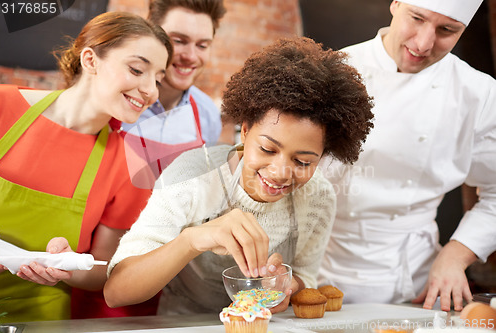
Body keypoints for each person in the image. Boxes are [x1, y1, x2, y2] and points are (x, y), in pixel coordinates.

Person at [103, 37, 374, 315]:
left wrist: (287, 285)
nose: (280, 172)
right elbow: (117, 291)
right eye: (268, 149)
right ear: (245, 131)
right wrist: (192, 240)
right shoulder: (192, 175)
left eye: (303, 161)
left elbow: (306, 275)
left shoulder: (317, 197)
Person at [317, 0, 496, 312]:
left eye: (447, 30)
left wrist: (456, 254)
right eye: (417, 18)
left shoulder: (478, 94)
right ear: (395, 4)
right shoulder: (333, 71)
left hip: (416, 282)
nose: (424, 44)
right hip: (317, 271)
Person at [0, 12, 173, 322]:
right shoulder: (1, 106)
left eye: (157, 78)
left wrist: (69, 267)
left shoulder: (129, 166)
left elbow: (104, 269)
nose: (151, 90)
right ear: (90, 60)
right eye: (137, 69)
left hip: (39, 316)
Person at [112, 0, 227, 189]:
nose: (190, 56)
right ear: (152, 34)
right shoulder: (116, 100)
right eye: (179, 41)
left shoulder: (208, 116)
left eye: (202, 45)